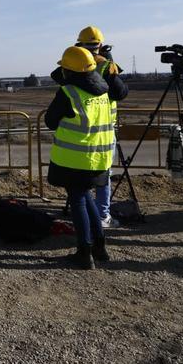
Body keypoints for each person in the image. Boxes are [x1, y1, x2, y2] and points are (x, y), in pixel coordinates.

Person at [44, 46, 122, 269]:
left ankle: (84, 251)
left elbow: (50, 120)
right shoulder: (104, 91)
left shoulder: (69, 92)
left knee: (78, 200)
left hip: (75, 159)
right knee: (86, 197)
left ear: (69, 70)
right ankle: (100, 247)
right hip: (100, 157)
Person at [52, 27, 128, 227]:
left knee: (79, 186)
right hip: (104, 129)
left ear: (79, 43)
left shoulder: (76, 67)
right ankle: (102, 214)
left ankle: (94, 217)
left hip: (81, 130)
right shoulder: (104, 66)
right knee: (102, 175)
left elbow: (57, 76)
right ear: (101, 44)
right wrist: (109, 62)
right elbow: (121, 93)